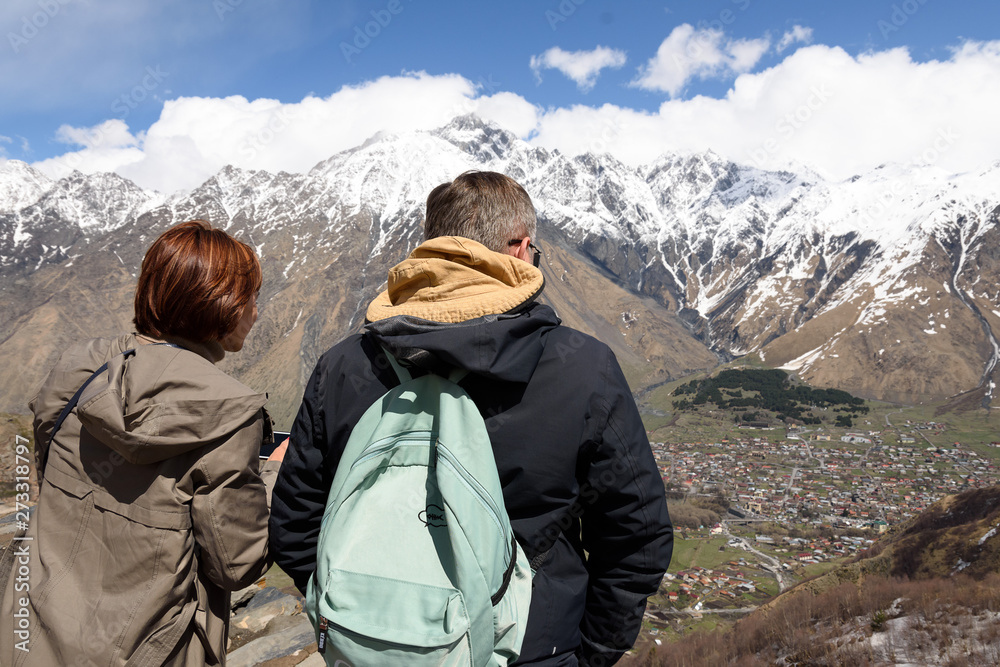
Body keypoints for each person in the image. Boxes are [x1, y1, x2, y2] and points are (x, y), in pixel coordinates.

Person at [269, 171, 673, 666]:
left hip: (369, 644)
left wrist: (354, 617)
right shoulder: (582, 367)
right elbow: (635, 534)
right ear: (522, 250)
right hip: (531, 647)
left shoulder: (346, 364)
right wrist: (592, 650)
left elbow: (295, 521)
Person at [0, 220, 286, 666]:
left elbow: (50, 473)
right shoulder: (230, 412)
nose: (256, 313)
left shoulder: (79, 367)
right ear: (221, 305)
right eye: (251, 298)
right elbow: (237, 563)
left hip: (31, 629)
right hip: (149, 651)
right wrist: (272, 476)